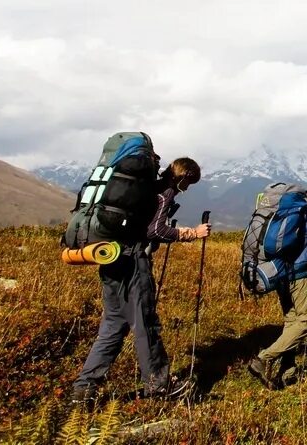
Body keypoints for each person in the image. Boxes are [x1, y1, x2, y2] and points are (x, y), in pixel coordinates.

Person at [72, 157, 210, 404]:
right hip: (133, 262)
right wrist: (192, 233)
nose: (188, 189)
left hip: (111, 257)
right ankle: (159, 385)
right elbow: (155, 231)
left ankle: (84, 389)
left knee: (113, 324)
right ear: (183, 177)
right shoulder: (164, 193)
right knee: (145, 323)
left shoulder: (147, 189)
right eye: (189, 183)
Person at [247, 182, 307, 389]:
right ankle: (263, 359)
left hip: (280, 273)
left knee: (292, 322)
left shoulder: (291, 210)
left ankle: (287, 373)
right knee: (305, 321)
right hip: (299, 275)